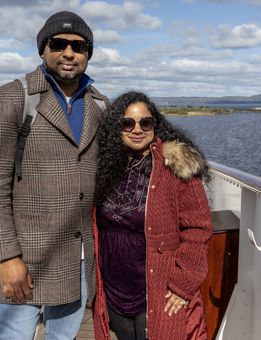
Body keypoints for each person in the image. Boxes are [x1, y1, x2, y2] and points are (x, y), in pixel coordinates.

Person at [0, 11, 110, 340]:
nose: (69, 52)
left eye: (79, 46)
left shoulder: (99, 105)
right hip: (25, 256)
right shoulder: (14, 96)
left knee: (63, 338)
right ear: (42, 49)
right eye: (59, 43)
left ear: (87, 54)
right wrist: (6, 257)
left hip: (78, 257)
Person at [92, 91, 213, 340]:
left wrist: (183, 285)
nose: (137, 129)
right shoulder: (106, 165)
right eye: (128, 123)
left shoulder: (174, 165)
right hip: (114, 285)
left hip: (157, 285)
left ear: (154, 124)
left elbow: (198, 228)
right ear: (118, 127)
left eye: (145, 122)